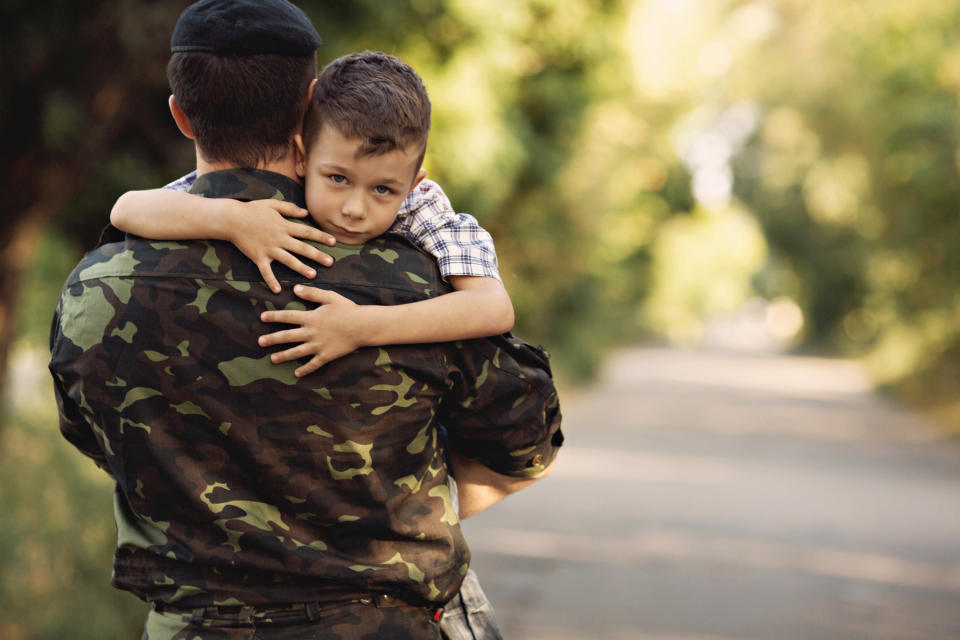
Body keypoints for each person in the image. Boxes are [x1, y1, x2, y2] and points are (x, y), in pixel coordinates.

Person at [48, 2, 563, 639]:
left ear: (180, 113)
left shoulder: (95, 292)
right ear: (308, 106)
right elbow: (525, 439)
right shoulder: (417, 287)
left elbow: (96, 437)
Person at [110, 60, 514, 379]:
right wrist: (234, 219)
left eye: (383, 190)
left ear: (412, 185)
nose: (355, 208)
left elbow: (492, 307)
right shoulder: (282, 189)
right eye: (338, 179)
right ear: (302, 157)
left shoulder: (422, 208)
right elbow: (127, 209)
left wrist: (360, 327)